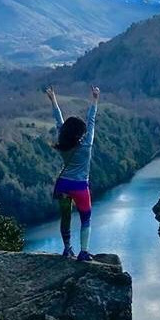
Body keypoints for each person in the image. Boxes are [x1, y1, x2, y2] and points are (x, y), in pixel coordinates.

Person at [47, 84, 100, 261]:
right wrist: (94, 99)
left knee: (65, 218)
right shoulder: (86, 145)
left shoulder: (64, 143)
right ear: (80, 133)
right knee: (86, 219)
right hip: (79, 186)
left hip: (63, 185)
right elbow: (91, 120)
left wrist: (53, 99)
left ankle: (67, 249)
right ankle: (83, 252)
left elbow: (58, 120)